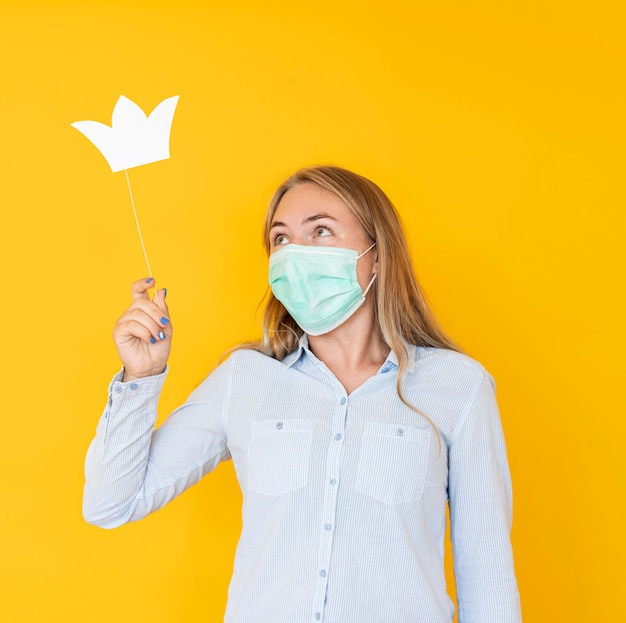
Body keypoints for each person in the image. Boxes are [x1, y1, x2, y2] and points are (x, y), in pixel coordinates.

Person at [83, 165, 522, 622]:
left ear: (378, 255)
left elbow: (487, 572)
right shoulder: (245, 379)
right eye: (282, 239)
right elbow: (112, 503)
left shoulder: (458, 387)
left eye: (321, 230)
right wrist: (141, 378)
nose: (295, 254)